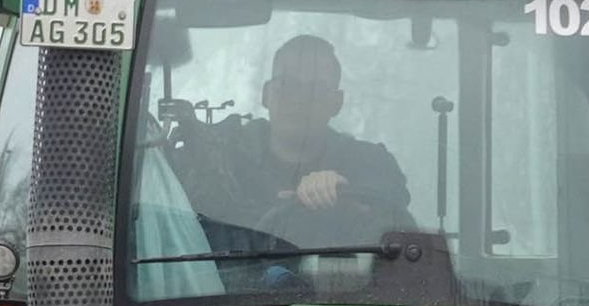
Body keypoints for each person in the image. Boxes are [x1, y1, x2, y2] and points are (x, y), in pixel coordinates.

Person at [175, 34, 412, 251]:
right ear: (266, 94)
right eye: (287, 85)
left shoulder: (369, 164)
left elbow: (393, 213)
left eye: (316, 89)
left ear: (336, 102)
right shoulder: (217, 159)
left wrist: (345, 194)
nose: (300, 100)